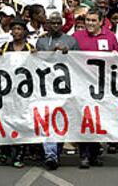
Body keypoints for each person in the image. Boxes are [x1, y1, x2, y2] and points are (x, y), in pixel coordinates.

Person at [73, 7, 118, 169]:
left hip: (103, 87)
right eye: (87, 20)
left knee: (98, 121)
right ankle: (84, 155)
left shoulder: (110, 36)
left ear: (101, 22)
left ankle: (94, 154)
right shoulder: (77, 36)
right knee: (84, 120)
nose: (90, 23)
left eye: (93, 20)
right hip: (82, 85)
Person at [36, 12, 80, 170]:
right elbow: (35, 62)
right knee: (48, 120)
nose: (55, 26)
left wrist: (68, 52)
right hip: (46, 88)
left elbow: (80, 62)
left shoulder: (71, 40)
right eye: (52, 23)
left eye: (57, 23)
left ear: (62, 24)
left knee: (60, 121)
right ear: (47, 24)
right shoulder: (41, 41)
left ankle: (56, 151)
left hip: (65, 88)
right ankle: (51, 154)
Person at [0, 17, 35, 168]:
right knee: (6, 120)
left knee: (22, 122)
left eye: (19, 29)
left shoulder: (31, 49)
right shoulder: (5, 47)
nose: (16, 32)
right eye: (14, 29)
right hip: (7, 94)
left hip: (25, 94)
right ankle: (5, 150)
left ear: (24, 31)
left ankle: (20, 153)